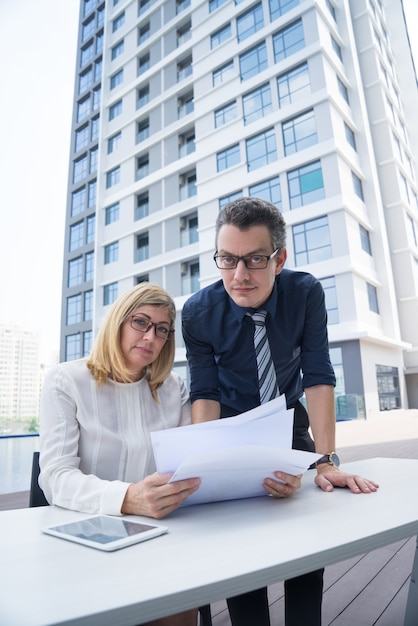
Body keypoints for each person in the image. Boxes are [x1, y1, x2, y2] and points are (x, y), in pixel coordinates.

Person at [182, 197, 379, 626]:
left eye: (254, 260)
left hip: (289, 417)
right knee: (241, 543)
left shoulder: (305, 292)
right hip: (231, 424)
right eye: (227, 259)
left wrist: (326, 461)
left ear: (279, 257)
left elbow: (318, 374)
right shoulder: (197, 313)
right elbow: (204, 391)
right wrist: (206, 463)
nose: (239, 275)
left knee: (307, 531)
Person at [39, 282, 201, 626]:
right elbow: (56, 478)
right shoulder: (65, 381)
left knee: (181, 603)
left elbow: (191, 465)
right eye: (140, 322)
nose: (150, 338)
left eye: (161, 330)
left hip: (159, 536)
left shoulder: (175, 388)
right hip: (82, 536)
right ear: (118, 322)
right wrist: (128, 498)